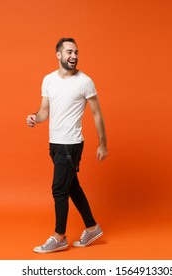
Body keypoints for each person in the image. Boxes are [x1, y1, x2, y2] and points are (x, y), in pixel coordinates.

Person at [26, 38, 108, 253]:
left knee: (59, 190)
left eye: (76, 52)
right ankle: (92, 227)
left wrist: (103, 144)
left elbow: (97, 113)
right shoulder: (48, 80)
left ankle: (59, 236)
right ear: (58, 54)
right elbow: (45, 111)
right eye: (70, 52)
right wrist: (35, 117)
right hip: (55, 144)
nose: (74, 56)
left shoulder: (84, 81)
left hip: (70, 144)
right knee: (72, 187)